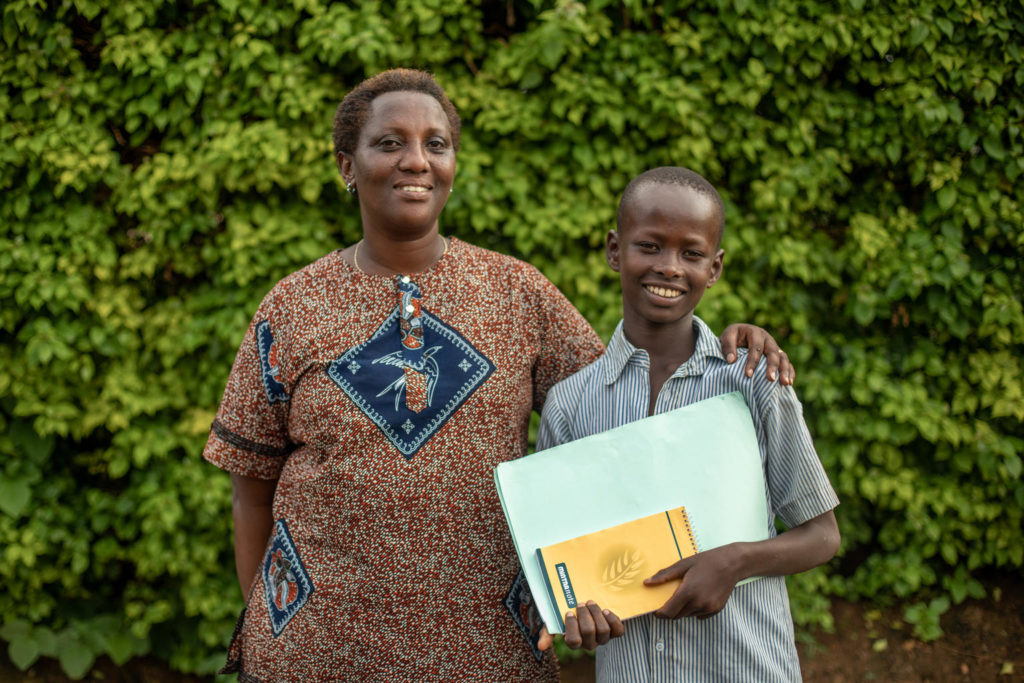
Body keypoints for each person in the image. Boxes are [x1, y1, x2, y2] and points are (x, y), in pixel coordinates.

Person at [203, 71, 794, 681]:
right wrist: (265, 622)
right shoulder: (293, 306)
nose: (417, 161)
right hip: (317, 653)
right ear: (346, 164)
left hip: (491, 651)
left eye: (436, 144)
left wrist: (726, 338)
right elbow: (250, 490)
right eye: (390, 143)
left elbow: (626, 417)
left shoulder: (516, 293)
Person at [536, 167, 840, 681]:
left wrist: (735, 561)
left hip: (747, 667)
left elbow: (822, 535)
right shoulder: (570, 404)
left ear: (715, 267)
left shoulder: (752, 380)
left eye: (691, 253)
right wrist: (576, 612)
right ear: (615, 250)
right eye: (650, 246)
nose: (669, 267)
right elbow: (567, 565)